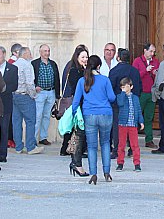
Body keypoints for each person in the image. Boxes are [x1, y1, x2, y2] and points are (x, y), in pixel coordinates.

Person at [72, 55, 116, 185]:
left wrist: (75, 115)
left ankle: (93, 173)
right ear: (98, 66)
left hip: (89, 114)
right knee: (105, 143)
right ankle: (107, 172)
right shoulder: (105, 80)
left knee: (91, 146)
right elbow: (112, 97)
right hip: (105, 113)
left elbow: (76, 101)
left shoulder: (82, 81)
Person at [108, 48, 142, 158]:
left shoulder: (114, 71)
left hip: (118, 104)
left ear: (118, 58)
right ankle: (132, 149)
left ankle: (117, 150)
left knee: (118, 127)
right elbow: (138, 88)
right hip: (131, 102)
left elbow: (110, 89)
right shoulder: (134, 71)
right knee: (132, 127)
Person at [13, 47, 44, 155]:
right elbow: (29, 83)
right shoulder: (27, 65)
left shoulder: (14, 65)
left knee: (16, 121)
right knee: (30, 121)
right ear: (25, 54)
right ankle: (30, 147)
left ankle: (18, 147)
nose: (31, 55)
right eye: (29, 53)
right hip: (24, 95)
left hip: (14, 95)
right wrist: (33, 94)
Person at [64, 46, 90, 177]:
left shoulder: (84, 71)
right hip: (78, 107)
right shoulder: (75, 71)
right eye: (82, 57)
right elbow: (79, 88)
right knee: (78, 136)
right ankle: (76, 164)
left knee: (80, 136)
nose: (85, 59)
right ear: (77, 58)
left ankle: (76, 163)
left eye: (86, 57)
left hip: (84, 107)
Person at [0, 46, 18, 163]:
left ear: (4, 54)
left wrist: (3, 89)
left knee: (4, 129)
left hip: (5, 103)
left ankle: (2, 155)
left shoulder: (12, 68)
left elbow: (14, 85)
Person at [31, 44, 60, 146]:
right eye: (45, 51)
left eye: (48, 51)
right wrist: (34, 86)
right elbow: (30, 77)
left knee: (47, 116)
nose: (47, 53)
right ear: (40, 52)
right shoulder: (34, 63)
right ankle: (33, 139)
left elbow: (57, 78)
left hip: (51, 92)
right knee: (38, 116)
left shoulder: (53, 64)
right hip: (40, 93)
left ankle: (43, 137)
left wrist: (57, 95)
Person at [132, 43, 160, 148]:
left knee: (149, 117)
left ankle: (149, 140)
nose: (152, 54)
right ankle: (132, 140)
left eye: (153, 52)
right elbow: (134, 76)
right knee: (136, 116)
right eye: (151, 51)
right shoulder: (137, 61)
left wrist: (155, 73)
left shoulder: (156, 62)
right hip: (141, 93)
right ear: (145, 50)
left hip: (151, 93)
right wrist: (145, 70)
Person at [115, 77, 144, 172]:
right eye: (122, 87)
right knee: (121, 145)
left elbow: (138, 110)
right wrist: (123, 93)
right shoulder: (120, 96)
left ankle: (137, 163)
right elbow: (120, 103)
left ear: (131, 87)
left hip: (133, 124)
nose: (124, 88)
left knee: (135, 145)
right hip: (123, 124)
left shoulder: (135, 98)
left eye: (126, 86)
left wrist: (141, 121)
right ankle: (120, 163)